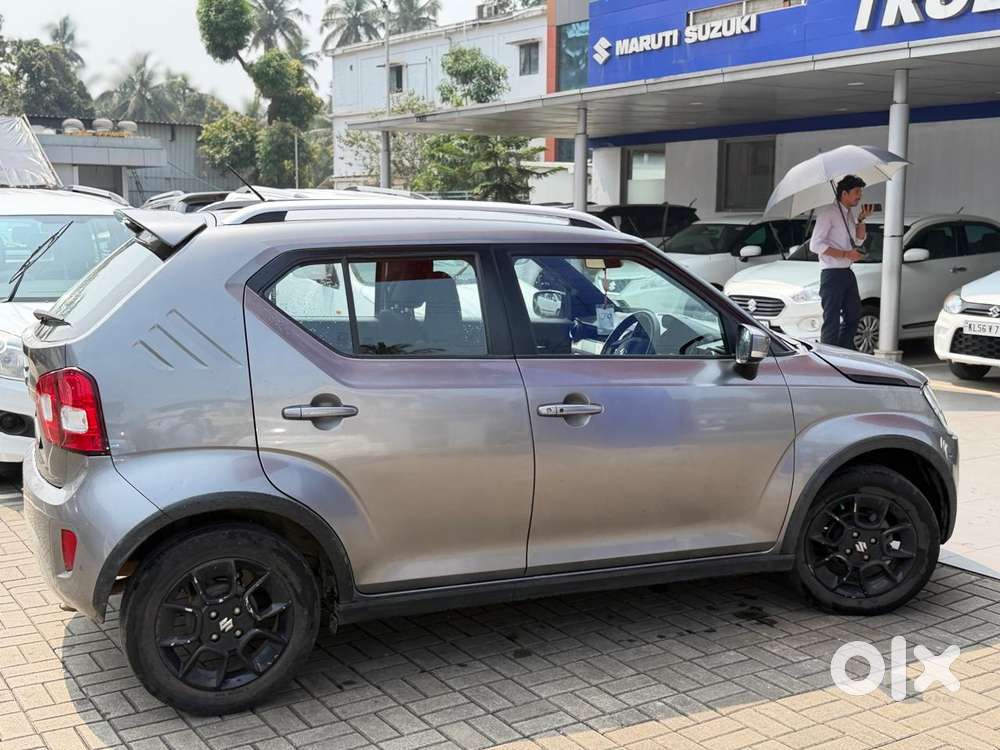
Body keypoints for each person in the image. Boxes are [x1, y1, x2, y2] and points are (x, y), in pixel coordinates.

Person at [809, 175, 875, 350]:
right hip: (831, 272)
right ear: (844, 193)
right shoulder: (828, 214)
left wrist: (861, 220)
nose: (859, 196)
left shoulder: (848, 214)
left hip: (846, 271)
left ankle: (844, 351)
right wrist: (846, 254)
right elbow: (815, 245)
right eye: (856, 192)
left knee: (854, 315)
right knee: (831, 319)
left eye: (860, 192)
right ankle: (828, 357)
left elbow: (859, 241)